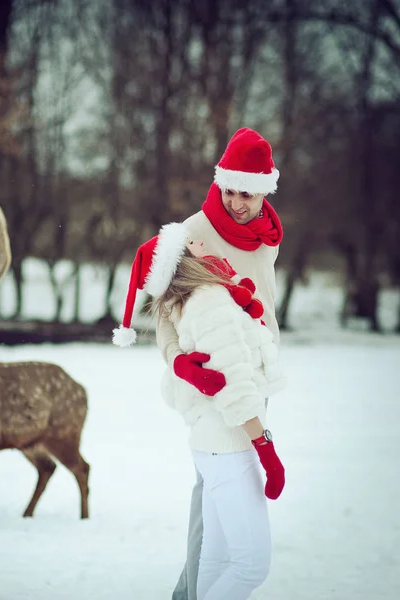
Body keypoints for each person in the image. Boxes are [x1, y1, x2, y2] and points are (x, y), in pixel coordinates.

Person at [113, 127, 284, 600]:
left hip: (256, 368)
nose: (233, 201)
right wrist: (179, 361)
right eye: (227, 189)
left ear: (265, 190)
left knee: (233, 492)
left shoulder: (269, 234)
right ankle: (187, 595)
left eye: (245, 193)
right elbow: (166, 314)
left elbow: (263, 303)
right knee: (210, 497)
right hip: (215, 374)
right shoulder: (192, 233)